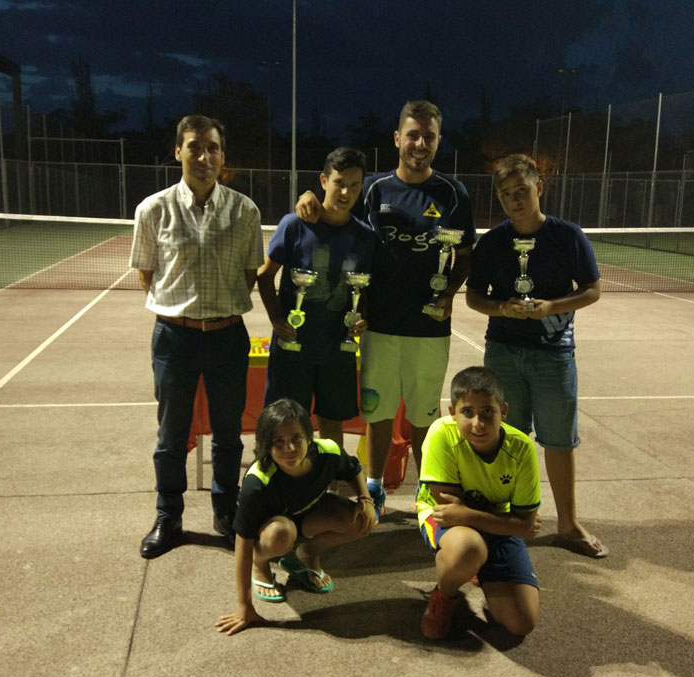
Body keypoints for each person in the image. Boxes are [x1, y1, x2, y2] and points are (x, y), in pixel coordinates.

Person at [296, 101, 476, 516]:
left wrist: (449, 293)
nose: (420, 144)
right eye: (413, 135)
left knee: (424, 416)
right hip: (377, 324)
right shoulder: (373, 189)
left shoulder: (454, 193)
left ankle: (427, 489)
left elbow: (466, 255)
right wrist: (306, 196)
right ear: (397, 139)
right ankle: (375, 485)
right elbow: (334, 211)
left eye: (429, 137)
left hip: (429, 328)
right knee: (377, 411)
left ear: (439, 142)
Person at [129, 114, 263, 559]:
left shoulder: (245, 211)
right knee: (171, 436)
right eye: (194, 147)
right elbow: (147, 275)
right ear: (178, 152)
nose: (204, 156)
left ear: (223, 156)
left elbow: (249, 275)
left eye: (213, 148)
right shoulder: (153, 210)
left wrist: (215, 312)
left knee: (228, 434)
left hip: (228, 337)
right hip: (174, 339)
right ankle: (169, 516)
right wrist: (183, 314)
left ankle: (226, 513)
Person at [465, 154, 607, 558]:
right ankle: (509, 519)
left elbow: (593, 289)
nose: (515, 200)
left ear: (539, 188)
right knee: (506, 438)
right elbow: (474, 296)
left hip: (553, 352)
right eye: (506, 194)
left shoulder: (567, 236)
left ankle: (568, 524)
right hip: (503, 351)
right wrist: (502, 308)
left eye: (522, 190)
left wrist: (552, 307)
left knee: (559, 441)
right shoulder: (492, 242)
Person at [215, 398, 378, 636]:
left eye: (296, 438)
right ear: (266, 445)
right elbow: (243, 541)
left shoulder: (327, 451)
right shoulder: (257, 482)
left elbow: (352, 469)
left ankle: (308, 553)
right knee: (281, 533)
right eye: (278, 442)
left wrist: (366, 500)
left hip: (309, 513)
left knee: (362, 520)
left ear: (309, 437)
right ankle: (261, 564)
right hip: (271, 529)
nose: (289, 449)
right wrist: (244, 606)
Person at [257, 147, 377, 451]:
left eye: (354, 185)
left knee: (332, 424)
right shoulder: (294, 225)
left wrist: (362, 317)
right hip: (293, 348)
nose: (346, 192)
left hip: (337, 349)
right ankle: (274, 476)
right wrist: (276, 318)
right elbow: (264, 275)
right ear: (324, 181)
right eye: (339, 183)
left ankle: (330, 477)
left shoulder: (366, 237)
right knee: (282, 423)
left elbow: (364, 289)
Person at [416, 366, 542, 640]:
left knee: (521, 622)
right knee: (468, 548)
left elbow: (524, 526)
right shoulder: (441, 433)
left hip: (487, 522)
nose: (478, 423)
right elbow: (448, 510)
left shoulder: (521, 448)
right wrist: (513, 524)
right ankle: (445, 593)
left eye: (488, 412)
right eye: (468, 412)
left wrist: (469, 514)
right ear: (452, 412)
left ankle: (481, 568)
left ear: (503, 411)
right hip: (447, 518)